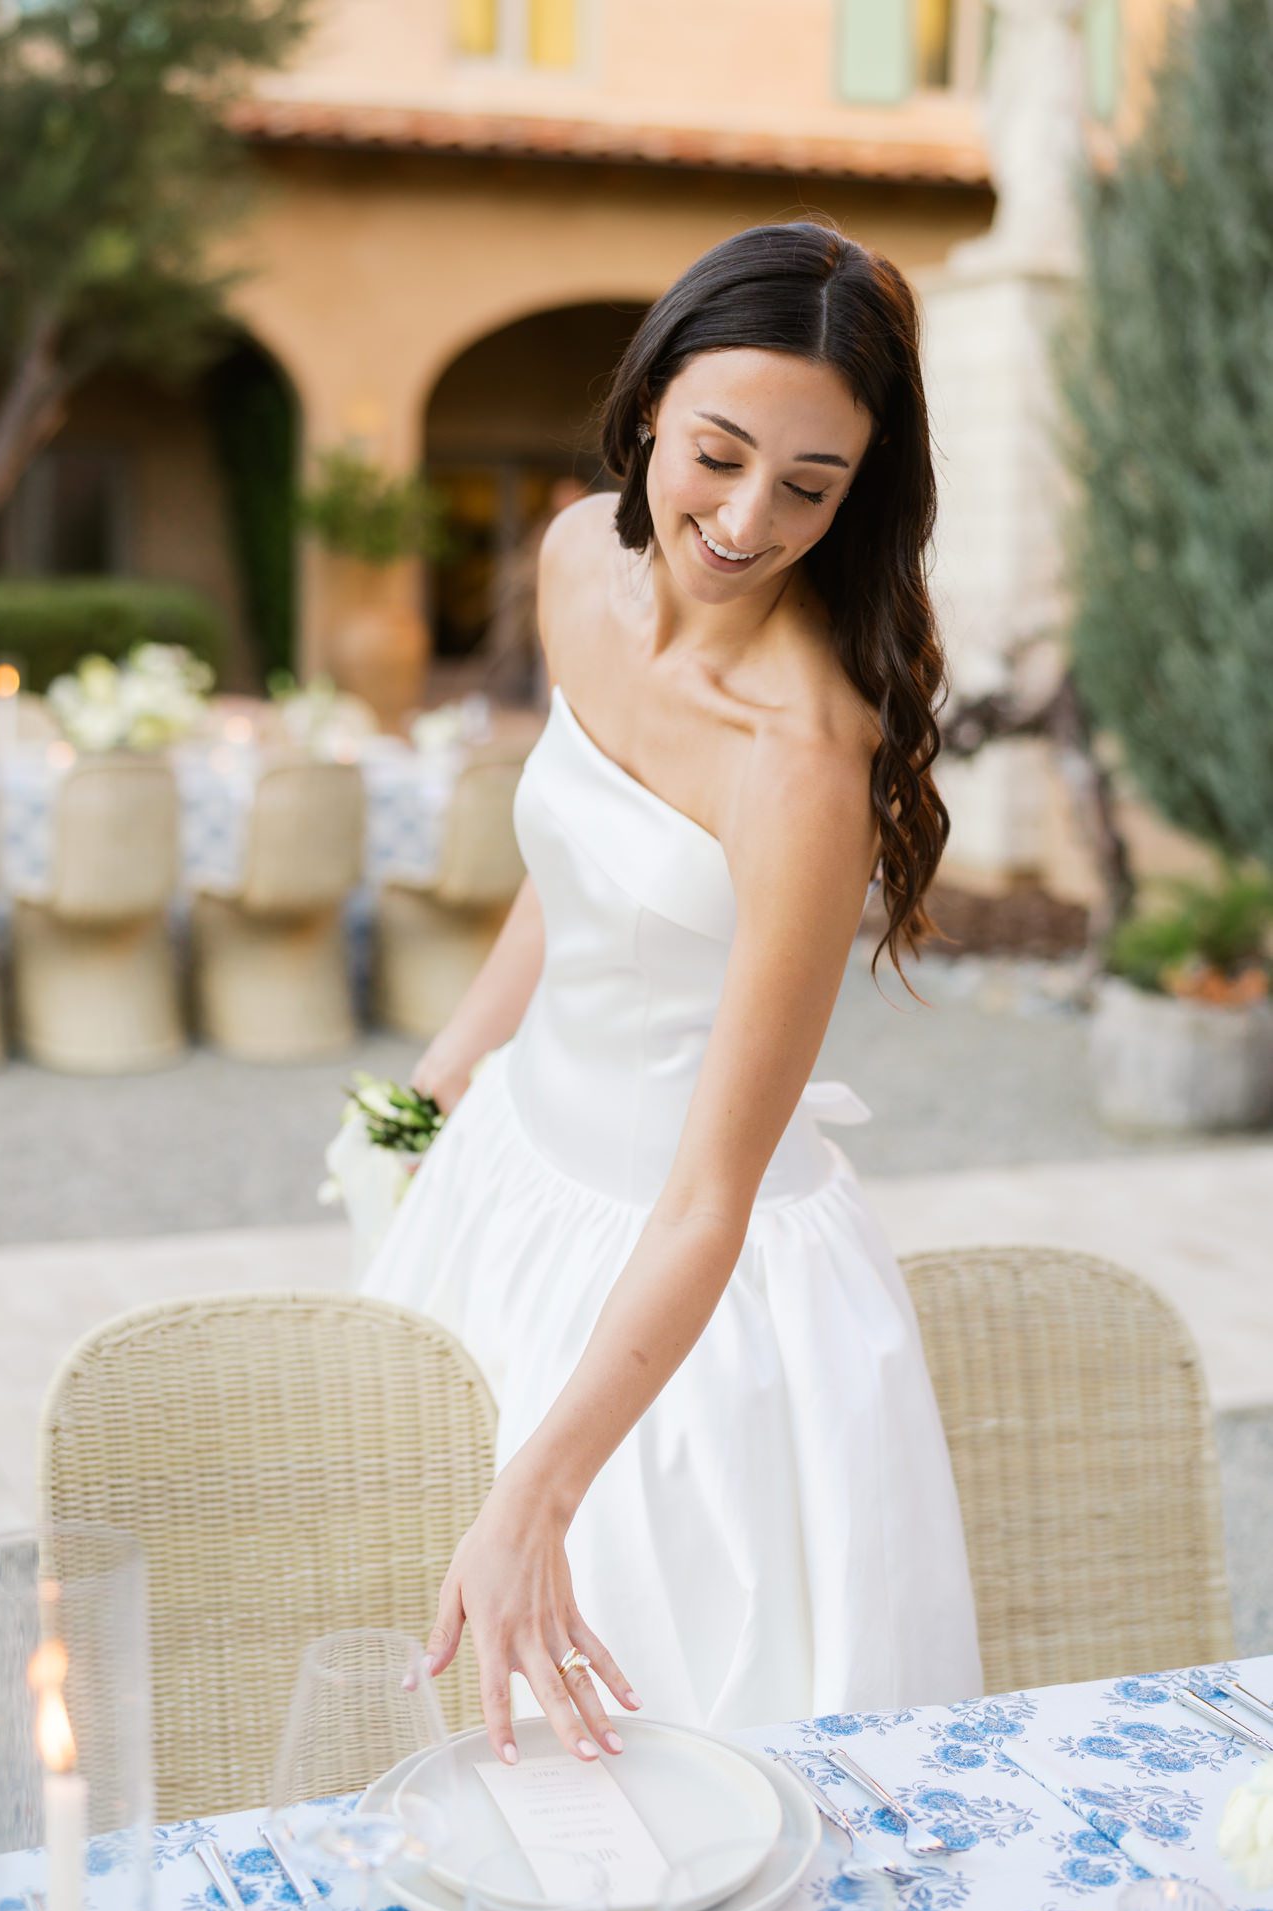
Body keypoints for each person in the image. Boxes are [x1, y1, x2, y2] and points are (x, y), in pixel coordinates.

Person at [360, 218, 983, 1767]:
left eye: (810, 488)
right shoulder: (577, 554)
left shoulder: (802, 764)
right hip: (511, 1185)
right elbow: (579, 865)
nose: (746, 517)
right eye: (716, 453)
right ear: (647, 404)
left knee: (664, 1776)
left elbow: (708, 1196)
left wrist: (543, 1487)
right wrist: (433, 1087)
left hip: (698, 1298)